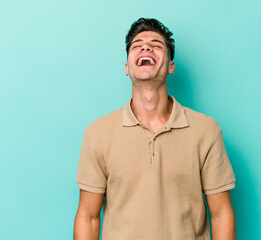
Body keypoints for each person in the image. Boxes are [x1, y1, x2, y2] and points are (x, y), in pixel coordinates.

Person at [74, 18, 236, 240]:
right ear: (127, 68)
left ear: (171, 66)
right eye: (137, 45)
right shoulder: (98, 133)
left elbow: (221, 214)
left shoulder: (206, 130)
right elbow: (88, 217)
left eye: (157, 45)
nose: (146, 46)